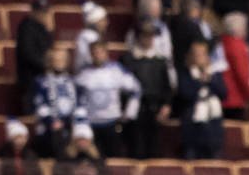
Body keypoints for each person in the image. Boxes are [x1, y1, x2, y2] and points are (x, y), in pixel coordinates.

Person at [75, 43, 139, 158]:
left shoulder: (116, 70)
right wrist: (81, 121)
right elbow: (78, 99)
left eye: (100, 52)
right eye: (94, 53)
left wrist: (129, 113)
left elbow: (135, 89)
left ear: (106, 53)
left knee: (115, 158)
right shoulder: (84, 73)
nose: (98, 55)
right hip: (92, 124)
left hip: (112, 123)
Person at [123, 20, 176, 159]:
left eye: (151, 36)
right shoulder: (128, 59)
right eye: (145, 36)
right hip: (134, 110)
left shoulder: (159, 60)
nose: (148, 39)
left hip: (154, 108)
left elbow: (167, 86)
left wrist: (166, 105)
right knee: (136, 147)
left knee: (154, 148)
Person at [176, 39, 227, 159]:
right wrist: (200, 82)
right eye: (196, 54)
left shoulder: (214, 74)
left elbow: (223, 93)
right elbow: (185, 94)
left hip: (213, 128)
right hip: (192, 130)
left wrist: (209, 80)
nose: (199, 57)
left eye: (202, 54)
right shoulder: (185, 74)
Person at [32, 46, 85, 159]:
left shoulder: (74, 82)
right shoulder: (41, 82)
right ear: (50, 61)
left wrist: (72, 122)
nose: (59, 63)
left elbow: (80, 105)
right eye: (56, 60)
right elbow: (40, 106)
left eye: (62, 59)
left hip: (70, 128)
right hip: (49, 130)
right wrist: (52, 122)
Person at [16, 0, 55, 115]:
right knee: (34, 114)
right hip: (31, 80)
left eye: (44, 12)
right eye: (40, 11)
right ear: (33, 11)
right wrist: (46, 66)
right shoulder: (27, 27)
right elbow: (28, 53)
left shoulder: (43, 28)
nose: (42, 15)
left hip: (43, 80)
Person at [218, 10, 249, 120]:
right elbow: (242, 73)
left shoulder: (221, 42)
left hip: (222, 94)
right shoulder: (237, 45)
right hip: (235, 97)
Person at [74, 1, 108, 72]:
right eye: (103, 20)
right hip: (87, 73)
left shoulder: (90, 35)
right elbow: (92, 60)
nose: (106, 23)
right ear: (95, 22)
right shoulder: (88, 36)